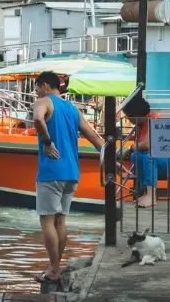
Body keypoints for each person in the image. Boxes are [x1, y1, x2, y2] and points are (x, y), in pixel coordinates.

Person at [32, 71, 104, 284]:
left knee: (47, 220)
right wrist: (111, 157)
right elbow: (94, 138)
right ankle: (54, 268)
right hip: (72, 172)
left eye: (37, 88)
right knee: (60, 220)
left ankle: (54, 270)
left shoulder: (43, 101)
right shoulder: (72, 109)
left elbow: (37, 119)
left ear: (44, 86)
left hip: (51, 171)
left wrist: (47, 142)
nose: (36, 92)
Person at [124, 98, 170, 208]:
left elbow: (147, 145)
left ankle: (151, 196)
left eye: (129, 116)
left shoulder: (155, 120)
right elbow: (139, 148)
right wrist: (132, 150)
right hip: (158, 164)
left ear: (137, 115)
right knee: (136, 156)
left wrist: (131, 148)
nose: (128, 118)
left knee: (148, 156)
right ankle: (145, 193)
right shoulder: (140, 124)